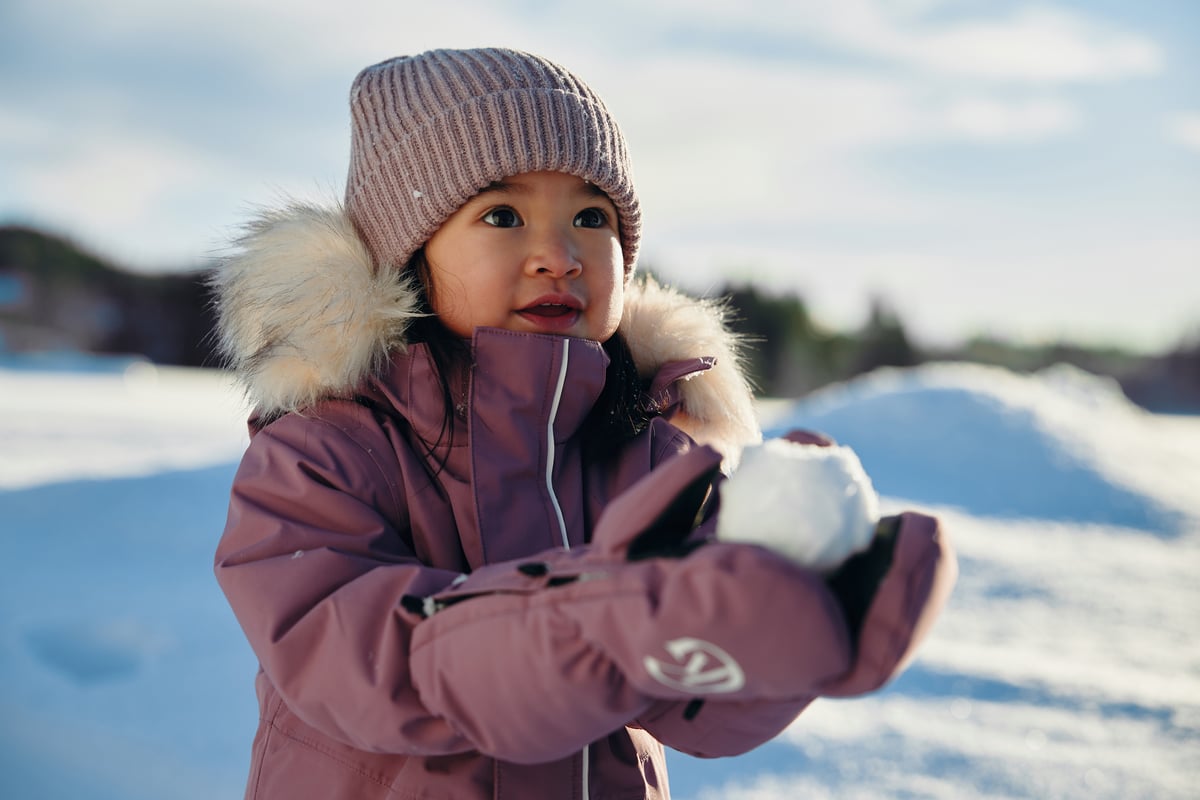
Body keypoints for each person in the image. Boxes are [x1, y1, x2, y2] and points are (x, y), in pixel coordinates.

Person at [212, 47, 956, 800]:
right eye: (502, 214)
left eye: (591, 216)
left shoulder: (656, 454)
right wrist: (597, 622)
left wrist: (796, 631)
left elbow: (694, 707)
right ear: (405, 252)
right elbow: (368, 661)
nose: (559, 255)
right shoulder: (325, 454)